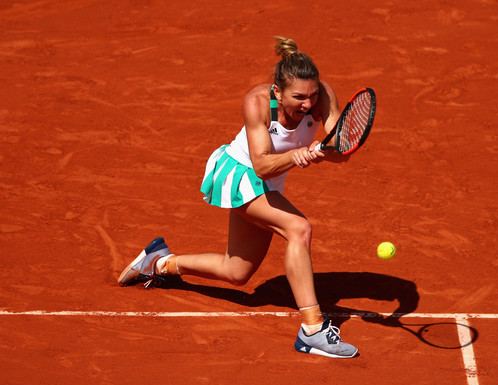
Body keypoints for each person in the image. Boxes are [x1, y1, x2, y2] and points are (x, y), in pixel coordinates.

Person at [118, 36, 358, 359]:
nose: (307, 104)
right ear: (277, 92)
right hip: (241, 174)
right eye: (299, 97)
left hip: (270, 183)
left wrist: (327, 150)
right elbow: (260, 164)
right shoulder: (256, 103)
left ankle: (160, 262)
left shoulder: (323, 96)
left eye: (312, 95)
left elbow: (341, 151)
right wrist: (301, 153)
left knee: (236, 272)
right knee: (299, 229)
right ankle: (312, 329)